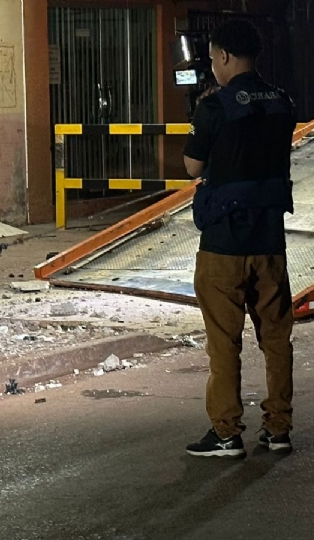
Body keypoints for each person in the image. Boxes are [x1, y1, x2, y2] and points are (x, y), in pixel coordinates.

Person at [183, 20, 297, 458]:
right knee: (276, 340)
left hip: (223, 245)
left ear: (225, 56)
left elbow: (193, 167)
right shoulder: (282, 103)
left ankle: (227, 433)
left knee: (224, 342)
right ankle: (279, 429)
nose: (213, 65)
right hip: (270, 242)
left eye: (213, 57)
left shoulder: (214, 106)